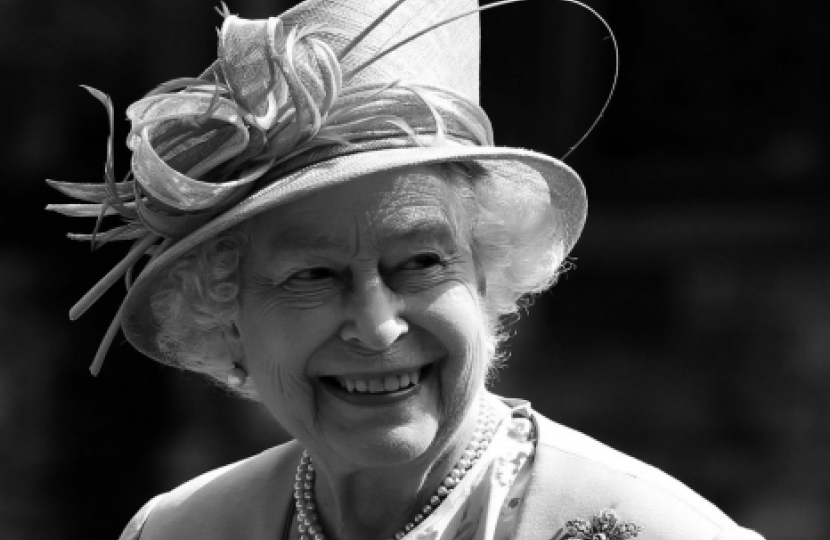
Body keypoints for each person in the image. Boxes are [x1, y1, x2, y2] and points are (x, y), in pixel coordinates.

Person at [48, 1, 764, 539]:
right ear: (227, 322)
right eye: (313, 275)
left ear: (489, 282)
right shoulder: (179, 531)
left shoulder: (654, 528)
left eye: (420, 263)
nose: (377, 324)